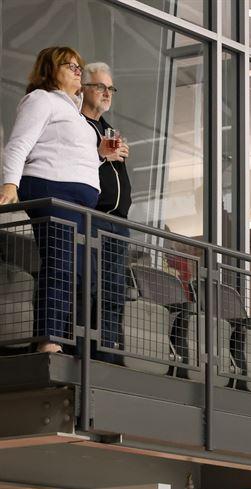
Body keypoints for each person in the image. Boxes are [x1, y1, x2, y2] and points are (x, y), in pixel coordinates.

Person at [1, 47, 121, 352]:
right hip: (52, 190)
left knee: (80, 273)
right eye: (70, 66)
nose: (78, 70)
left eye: (79, 66)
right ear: (51, 70)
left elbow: (74, 160)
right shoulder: (41, 99)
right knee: (62, 266)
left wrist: (99, 156)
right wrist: (9, 184)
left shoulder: (74, 114)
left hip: (79, 201)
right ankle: (48, 339)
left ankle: (70, 342)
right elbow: (18, 144)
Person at [80, 62, 131, 363]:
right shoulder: (77, 125)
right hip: (93, 218)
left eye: (110, 88)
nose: (106, 93)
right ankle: (89, 351)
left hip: (118, 222)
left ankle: (109, 351)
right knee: (91, 287)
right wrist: (99, 154)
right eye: (100, 86)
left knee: (114, 291)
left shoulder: (107, 127)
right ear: (84, 88)